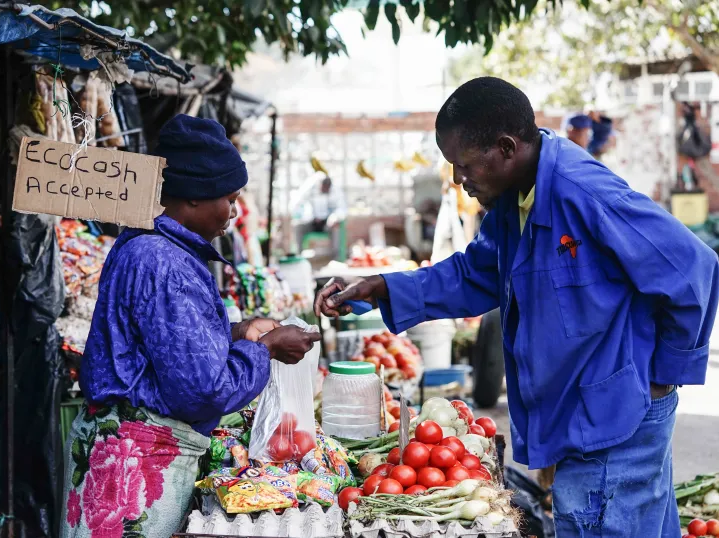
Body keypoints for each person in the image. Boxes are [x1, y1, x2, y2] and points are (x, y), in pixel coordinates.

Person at [315, 77, 719, 537]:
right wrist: (382, 287)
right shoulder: (514, 202)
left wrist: (662, 379)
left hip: (616, 425)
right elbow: (476, 274)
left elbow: (694, 270)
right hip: (579, 418)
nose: (459, 181)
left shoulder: (582, 192)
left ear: (506, 148)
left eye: (464, 166)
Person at [60, 114, 320, 538]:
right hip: (135, 468)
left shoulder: (149, 247)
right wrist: (266, 348)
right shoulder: (163, 262)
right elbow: (203, 390)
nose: (234, 212)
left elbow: (164, 347)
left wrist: (238, 332)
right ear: (196, 197)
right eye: (230, 199)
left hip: (123, 455)